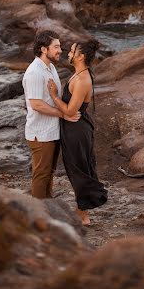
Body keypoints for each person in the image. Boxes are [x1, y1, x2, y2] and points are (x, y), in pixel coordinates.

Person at [47, 39, 108, 225]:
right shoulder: (79, 74)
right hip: (74, 128)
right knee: (78, 168)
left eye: (72, 51)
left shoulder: (82, 80)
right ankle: (82, 209)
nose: (68, 53)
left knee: (79, 169)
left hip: (77, 130)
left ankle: (84, 214)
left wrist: (54, 96)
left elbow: (71, 111)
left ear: (80, 56)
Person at [22, 30, 79, 199]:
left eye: (60, 46)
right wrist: (63, 115)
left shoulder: (51, 67)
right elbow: (36, 104)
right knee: (41, 174)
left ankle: (48, 209)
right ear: (43, 49)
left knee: (49, 172)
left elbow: (53, 99)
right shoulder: (34, 72)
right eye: (56, 47)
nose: (60, 50)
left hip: (52, 131)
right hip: (40, 133)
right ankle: (38, 215)